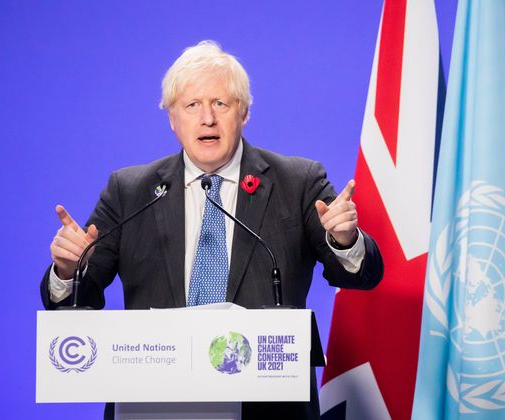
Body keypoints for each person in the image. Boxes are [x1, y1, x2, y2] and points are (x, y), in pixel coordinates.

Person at [41, 40, 383, 420]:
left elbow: (360, 276)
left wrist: (345, 241)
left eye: (221, 103)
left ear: (244, 113)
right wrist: (68, 272)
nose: (207, 118)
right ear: (172, 118)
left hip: (268, 408)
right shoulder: (130, 191)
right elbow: (76, 301)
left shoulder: (298, 182)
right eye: (192, 106)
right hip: (154, 405)